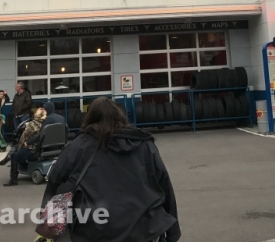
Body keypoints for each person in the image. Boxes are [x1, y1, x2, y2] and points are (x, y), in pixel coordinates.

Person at [42, 97, 180, 242]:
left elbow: (54, 184)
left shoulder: (76, 148)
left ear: (90, 118)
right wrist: (173, 232)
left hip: (91, 231)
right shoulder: (145, 146)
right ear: (120, 116)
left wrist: (49, 227)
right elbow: (164, 186)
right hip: (144, 230)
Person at [4, 107, 47, 186]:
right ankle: (23, 166)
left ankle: (13, 179)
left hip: (32, 149)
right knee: (19, 151)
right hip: (42, 149)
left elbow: (24, 138)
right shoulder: (46, 124)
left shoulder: (32, 124)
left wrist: (20, 146)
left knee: (14, 156)